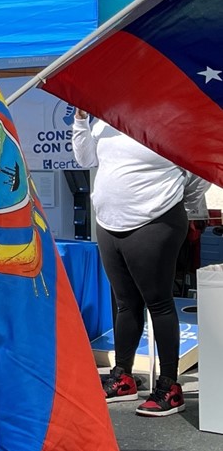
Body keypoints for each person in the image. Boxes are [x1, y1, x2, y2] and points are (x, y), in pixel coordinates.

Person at [73, 110, 208, 417]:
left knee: (158, 303)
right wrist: (80, 121)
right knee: (125, 303)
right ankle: (123, 377)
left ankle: (169, 387)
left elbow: (198, 173)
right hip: (108, 223)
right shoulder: (106, 119)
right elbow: (84, 159)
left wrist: (178, 203)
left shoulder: (172, 121)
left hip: (155, 221)